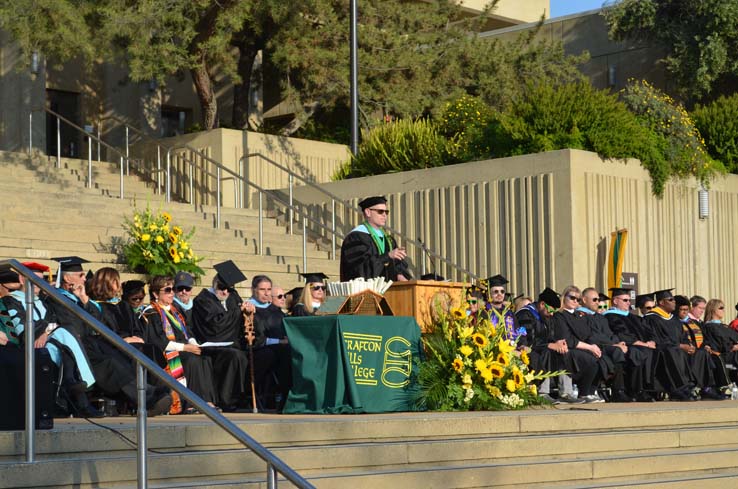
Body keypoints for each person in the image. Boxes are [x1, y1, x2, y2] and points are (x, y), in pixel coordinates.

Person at [45, 256, 171, 415]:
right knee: (111, 363)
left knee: (132, 355)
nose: (85, 279)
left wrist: (84, 299)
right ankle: (148, 399)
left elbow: (97, 321)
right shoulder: (58, 299)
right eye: (81, 275)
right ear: (66, 278)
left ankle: (154, 394)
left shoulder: (79, 298)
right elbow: (77, 328)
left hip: (93, 343)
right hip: (77, 347)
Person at [1, 262, 102, 417]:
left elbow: (56, 323)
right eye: (35, 280)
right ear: (22, 280)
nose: (39, 285)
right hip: (27, 347)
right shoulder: (11, 301)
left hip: (49, 344)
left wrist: (45, 333)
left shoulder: (43, 302)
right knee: (66, 334)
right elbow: (23, 330)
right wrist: (45, 330)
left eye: (42, 281)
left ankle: (71, 398)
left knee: (66, 344)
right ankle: (80, 395)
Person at [141, 275, 217, 413]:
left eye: (172, 289)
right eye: (168, 290)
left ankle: (206, 400)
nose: (172, 293)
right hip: (164, 353)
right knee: (191, 360)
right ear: (155, 293)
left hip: (182, 348)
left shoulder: (175, 311)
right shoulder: (151, 313)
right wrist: (186, 348)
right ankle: (191, 404)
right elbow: (159, 341)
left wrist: (194, 344)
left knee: (205, 359)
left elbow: (187, 331)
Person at [190, 260, 253, 411]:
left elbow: (239, 319)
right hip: (210, 345)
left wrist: (248, 312)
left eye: (228, 289)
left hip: (230, 344)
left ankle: (238, 399)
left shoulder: (233, 296)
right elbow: (216, 327)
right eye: (222, 288)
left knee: (244, 354)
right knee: (235, 356)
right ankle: (226, 400)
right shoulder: (203, 299)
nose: (225, 292)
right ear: (215, 283)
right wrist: (238, 311)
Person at [642, 288, 699, 401]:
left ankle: (700, 387)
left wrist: (689, 345)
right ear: (661, 302)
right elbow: (656, 340)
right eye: (670, 299)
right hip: (661, 351)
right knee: (673, 351)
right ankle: (678, 388)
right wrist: (680, 346)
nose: (674, 302)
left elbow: (683, 337)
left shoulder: (674, 319)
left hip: (676, 348)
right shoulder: (652, 318)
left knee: (701, 353)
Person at [551, 285, 604, 403]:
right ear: (564, 298)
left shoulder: (580, 316)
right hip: (567, 348)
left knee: (602, 358)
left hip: (580, 347)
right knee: (589, 359)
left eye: (578, 299)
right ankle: (577, 393)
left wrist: (594, 346)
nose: (575, 301)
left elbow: (588, 334)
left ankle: (587, 392)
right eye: (572, 298)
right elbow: (566, 339)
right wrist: (590, 347)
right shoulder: (559, 316)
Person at [576, 287, 631, 402]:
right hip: (594, 346)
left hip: (607, 345)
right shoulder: (580, 316)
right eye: (594, 300)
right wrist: (614, 345)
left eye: (598, 300)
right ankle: (617, 391)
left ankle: (625, 390)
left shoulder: (600, 318)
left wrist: (618, 342)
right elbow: (590, 336)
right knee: (616, 352)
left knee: (628, 352)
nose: (597, 302)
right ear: (584, 300)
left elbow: (610, 333)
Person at [339, 195, 411, 282]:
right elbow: (360, 269)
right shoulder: (356, 237)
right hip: (366, 292)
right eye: (380, 211)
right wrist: (388, 256)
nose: (384, 215)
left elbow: (398, 265)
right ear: (368, 212)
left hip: (391, 292)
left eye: (386, 212)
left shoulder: (389, 240)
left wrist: (400, 274)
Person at [603, 287, 657, 402]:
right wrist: (644, 344)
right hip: (627, 345)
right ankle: (637, 390)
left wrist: (651, 341)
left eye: (629, 300)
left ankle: (651, 389)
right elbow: (622, 335)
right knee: (638, 352)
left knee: (659, 351)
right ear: (615, 301)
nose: (629, 303)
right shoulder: (611, 316)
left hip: (642, 345)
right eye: (625, 300)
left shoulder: (633, 317)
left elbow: (648, 332)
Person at [248, 275, 290, 409]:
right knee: (277, 353)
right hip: (255, 350)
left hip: (277, 348)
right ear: (254, 290)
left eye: (268, 289)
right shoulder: (248, 309)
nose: (266, 293)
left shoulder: (275, 310)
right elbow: (256, 339)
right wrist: (279, 341)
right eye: (262, 289)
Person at [674, 295, 728, 399]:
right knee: (704, 355)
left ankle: (709, 387)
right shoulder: (675, 323)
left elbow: (703, 338)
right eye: (682, 309)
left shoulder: (693, 322)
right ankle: (704, 388)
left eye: (686, 310)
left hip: (697, 350)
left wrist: (706, 345)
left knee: (707, 354)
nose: (685, 312)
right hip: (683, 351)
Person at [484, 275, 525, 343]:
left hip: (512, 348)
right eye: (496, 292)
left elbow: (519, 331)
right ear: (488, 294)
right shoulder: (485, 312)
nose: (499, 294)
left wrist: (522, 345)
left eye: (502, 291)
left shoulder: (510, 313)